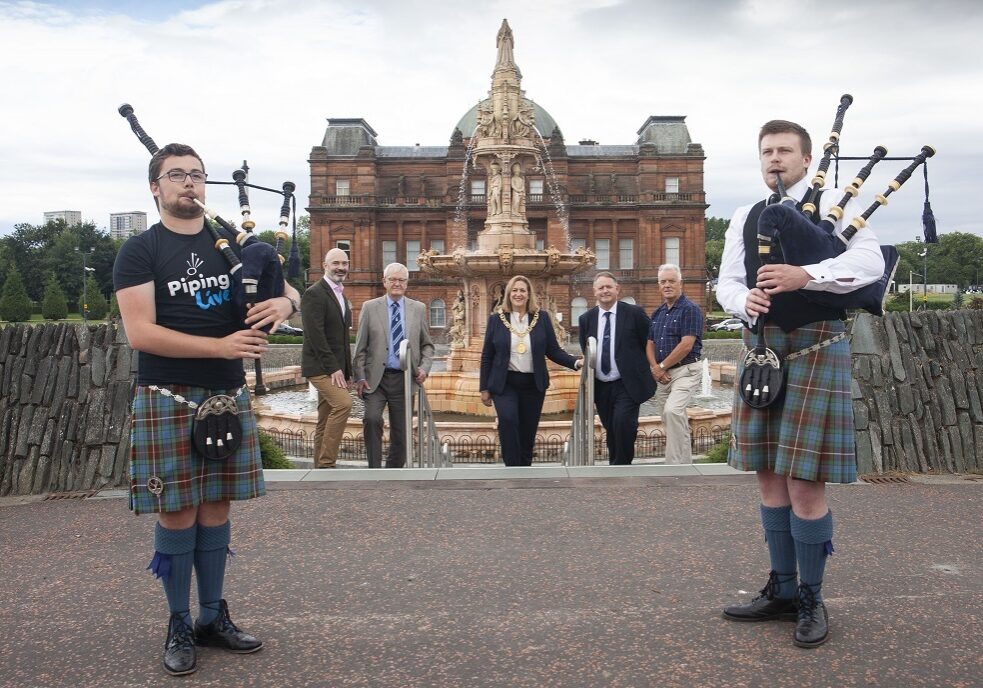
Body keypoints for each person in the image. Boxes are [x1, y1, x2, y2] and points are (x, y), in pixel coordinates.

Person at [114, 143, 299, 675]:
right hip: (168, 394)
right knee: (178, 512)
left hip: (224, 395)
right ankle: (177, 620)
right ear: (156, 187)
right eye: (177, 175)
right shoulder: (140, 251)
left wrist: (283, 303)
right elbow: (140, 332)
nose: (189, 184)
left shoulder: (229, 244)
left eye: (197, 175)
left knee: (217, 507)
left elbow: (284, 288)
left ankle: (211, 616)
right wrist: (220, 348)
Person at [716, 120, 884, 648]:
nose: (774, 159)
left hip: (815, 347)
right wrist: (745, 302)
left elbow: (869, 264)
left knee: (804, 482)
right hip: (763, 350)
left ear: (806, 159)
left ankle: (812, 595)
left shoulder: (838, 202)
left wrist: (804, 275)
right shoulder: (746, 215)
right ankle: (783, 589)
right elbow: (727, 281)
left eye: (784, 150)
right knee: (768, 475)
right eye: (766, 151)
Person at [480, 276, 582, 466]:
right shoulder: (496, 319)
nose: (518, 294)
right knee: (508, 420)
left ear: (529, 295)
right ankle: (512, 467)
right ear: (508, 294)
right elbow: (487, 356)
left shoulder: (541, 318)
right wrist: (484, 388)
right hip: (505, 383)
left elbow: (553, 350)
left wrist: (576, 362)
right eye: (514, 290)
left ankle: (525, 469)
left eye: (522, 290)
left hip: (532, 385)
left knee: (528, 430)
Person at [353, 263, 435, 468]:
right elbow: (360, 347)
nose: (397, 284)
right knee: (372, 420)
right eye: (393, 280)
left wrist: (424, 368)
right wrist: (360, 377)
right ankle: (374, 469)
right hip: (376, 380)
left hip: (405, 379)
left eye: (401, 280)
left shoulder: (418, 309)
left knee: (401, 431)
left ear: (407, 284)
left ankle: (394, 471)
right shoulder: (370, 307)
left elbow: (427, 345)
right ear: (385, 282)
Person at [578, 272, 656, 465]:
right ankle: (616, 464)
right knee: (611, 427)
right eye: (600, 288)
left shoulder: (634, 313)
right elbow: (586, 348)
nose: (605, 291)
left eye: (608, 287)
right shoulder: (586, 319)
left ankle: (621, 466)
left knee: (623, 423)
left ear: (617, 289)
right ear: (594, 292)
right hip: (601, 385)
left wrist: (655, 366)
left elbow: (649, 341)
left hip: (627, 383)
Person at [646, 264, 704, 465]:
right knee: (669, 419)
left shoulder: (690, 309)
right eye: (663, 282)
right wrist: (656, 368)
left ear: (681, 283)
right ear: (658, 285)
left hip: (686, 371)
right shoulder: (658, 313)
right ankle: (684, 463)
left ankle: (674, 466)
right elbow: (650, 344)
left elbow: (686, 345)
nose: (667, 285)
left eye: (671, 281)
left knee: (673, 411)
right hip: (663, 374)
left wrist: (660, 367)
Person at [301, 248, 354, 469]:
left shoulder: (340, 294)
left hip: (334, 367)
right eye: (336, 263)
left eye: (344, 263)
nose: (341, 267)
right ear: (325, 265)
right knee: (343, 404)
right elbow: (316, 336)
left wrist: (347, 371)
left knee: (325, 417)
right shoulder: (315, 293)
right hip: (319, 367)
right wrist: (334, 369)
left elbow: (342, 339)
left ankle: (319, 467)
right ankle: (327, 463)